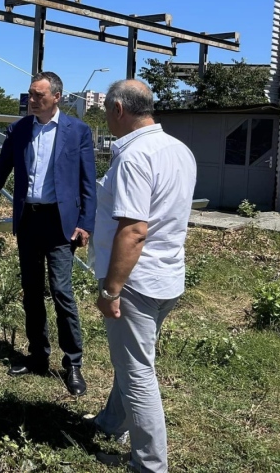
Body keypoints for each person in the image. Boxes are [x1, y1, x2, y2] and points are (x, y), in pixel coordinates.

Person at [90, 79, 196, 472]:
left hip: (135, 281)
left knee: (137, 374)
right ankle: (108, 423)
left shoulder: (135, 157)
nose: (106, 118)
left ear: (118, 109)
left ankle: (149, 465)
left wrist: (112, 288)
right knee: (132, 359)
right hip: (167, 275)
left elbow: (134, 230)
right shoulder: (179, 150)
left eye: (105, 111)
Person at [0, 71, 96, 395]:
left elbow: (87, 184)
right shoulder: (19, 129)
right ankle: (38, 356)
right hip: (29, 220)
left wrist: (85, 224)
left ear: (56, 97)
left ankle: (73, 364)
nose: (32, 100)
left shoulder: (78, 131)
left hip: (60, 223)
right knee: (32, 290)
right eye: (30, 94)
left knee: (61, 291)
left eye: (38, 95)